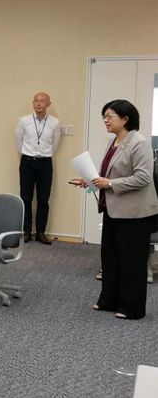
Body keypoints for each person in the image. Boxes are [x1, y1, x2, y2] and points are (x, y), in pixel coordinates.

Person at [72, 100, 158, 320]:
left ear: (125, 118)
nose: (105, 120)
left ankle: (132, 308)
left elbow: (143, 178)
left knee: (132, 261)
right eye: (104, 116)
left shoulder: (139, 143)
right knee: (111, 258)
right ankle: (109, 301)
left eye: (109, 116)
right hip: (113, 209)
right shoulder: (114, 142)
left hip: (134, 213)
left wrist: (109, 183)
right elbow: (109, 176)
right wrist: (89, 182)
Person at [15, 92, 61, 244]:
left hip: (45, 163)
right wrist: (29, 153)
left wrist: (43, 154)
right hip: (27, 162)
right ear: (33, 103)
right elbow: (19, 140)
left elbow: (54, 143)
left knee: (43, 199)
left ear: (48, 104)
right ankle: (26, 231)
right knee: (25, 198)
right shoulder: (24, 120)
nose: (38, 104)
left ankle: (40, 232)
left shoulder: (55, 122)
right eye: (36, 101)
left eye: (42, 101)